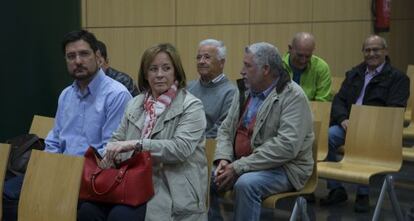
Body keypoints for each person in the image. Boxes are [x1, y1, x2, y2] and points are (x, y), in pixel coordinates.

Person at [2, 30, 132, 221]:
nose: (77, 61)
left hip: (94, 178)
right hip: (59, 171)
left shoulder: (116, 95)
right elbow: (54, 140)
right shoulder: (66, 95)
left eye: (84, 54)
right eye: (71, 56)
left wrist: (64, 177)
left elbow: (109, 150)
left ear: (98, 57)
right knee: (7, 192)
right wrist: (44, 173)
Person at [77, 43, 208, 221]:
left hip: (168, 186)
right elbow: (117, 139)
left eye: (166, 68)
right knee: (87, 210)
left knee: (120, 217)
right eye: (153, 69)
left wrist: (137, 145)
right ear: (145, 75)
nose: (160, 74)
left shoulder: (191, 106)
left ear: (176, 72)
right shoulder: (135, 103)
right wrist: (110, 157)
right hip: (131, 181)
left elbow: (180, 149)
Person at [211, 42, 314, 221]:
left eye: (247, 65)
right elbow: (226, 130)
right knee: (207, 176)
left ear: (266, 69)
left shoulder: (293, 96)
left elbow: (286, 147)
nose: (242, 71)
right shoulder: (244, 90)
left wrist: (238, 167)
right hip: (243, 162)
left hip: (285, 168)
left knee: (246, 184)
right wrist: (224, 159)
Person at [320, 35, 410, 213]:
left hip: (376, 130)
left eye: (376, 49)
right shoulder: (354, 73)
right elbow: (339, 100)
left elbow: (394, 110)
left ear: (385, 51)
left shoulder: (398, 78)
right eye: (367, 50)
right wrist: (343, 119)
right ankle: (336, 188)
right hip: (348, 125)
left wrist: (365, 124)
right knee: (326, 137)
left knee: (364, 144)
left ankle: (363, 193)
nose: (371, 54)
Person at [187, 39, 236, 138]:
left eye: (207, 57)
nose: (201, 61)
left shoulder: (231, 93)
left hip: (209, 149)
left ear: (221, 62)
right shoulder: (188, 88)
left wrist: (190, 143)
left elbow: (221, 130)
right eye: (199, 57)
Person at [283, 32, 332, 101]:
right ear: (290, 49)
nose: (303, 60)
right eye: (299, 55)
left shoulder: (321, 68)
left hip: (312, 110)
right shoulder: (278, 66)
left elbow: (322, 102)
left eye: (308, 56)